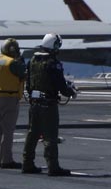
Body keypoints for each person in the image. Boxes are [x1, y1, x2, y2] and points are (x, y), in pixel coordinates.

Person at [22, 34, 77, 176]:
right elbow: (61, 85)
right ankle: (53, 166)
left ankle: (27, 163)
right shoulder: (53, 63)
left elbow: (28, 83)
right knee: (50, 136)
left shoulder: (33, 60)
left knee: (32, 134)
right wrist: (71, 92)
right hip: (48, 104)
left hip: (34, 103)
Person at [0, 38, 26, 169]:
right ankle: (6, 160)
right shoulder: (12, 62)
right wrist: (21, 61)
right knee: (8, 131)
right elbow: (24, 73)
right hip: (10, 98)